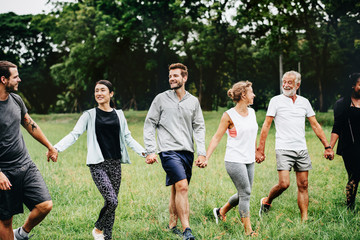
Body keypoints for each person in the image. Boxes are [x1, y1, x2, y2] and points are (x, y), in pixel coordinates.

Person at [54, 80, 146, 240]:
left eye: (103, 90)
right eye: (96, 90)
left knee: (111, 203)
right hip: (98, 165)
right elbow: (74, 134)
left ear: (111, 94)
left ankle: (107, 237)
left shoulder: (119, 115)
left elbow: (128, 137)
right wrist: (56, 148)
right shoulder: (89, 115)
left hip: (115, 163)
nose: (99, 93)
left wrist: (144, 153)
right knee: (112, 201)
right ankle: (98, 229)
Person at [256, 70, 334, 221]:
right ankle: (267, 201)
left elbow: (315, 125)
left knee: (303, 185)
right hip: (283, 148)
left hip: (301, 149)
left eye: (289, 83)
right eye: (283, 82)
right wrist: (260, 150)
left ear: (297, 85)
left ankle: (304, 219)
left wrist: (327, 146)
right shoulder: (275, 101)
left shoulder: (304, 102)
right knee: (284, 184)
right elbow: (266, 126)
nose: (285, 85)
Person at [144, 63, 206, 240]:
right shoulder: (160, 99)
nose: (172, 79)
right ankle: (187, 230)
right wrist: (151, 150)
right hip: (168, 150)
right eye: (170, 76)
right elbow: (149, 124)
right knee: (182, 186)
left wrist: (201, 152)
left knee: (176, 188)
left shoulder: (193, 101)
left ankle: (172, 225)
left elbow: (199, 127)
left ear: (184, 78)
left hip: (187, 151)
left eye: (176, 76)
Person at [0, 61, 57, 240]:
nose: (19, 79)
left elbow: (29, 123)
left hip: (25, 165)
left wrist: (49, 146)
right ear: (3, 79)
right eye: (15, 77)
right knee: (5, 220)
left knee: (45, 205)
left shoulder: (16, 99)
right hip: (4, 171)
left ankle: (22, 234)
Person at [200, 81, 258, 237]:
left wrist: (257, 151)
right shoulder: (228, 115)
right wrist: (206, 157)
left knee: (243, 193)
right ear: (244, 95)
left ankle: (221, 211)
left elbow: (252, 136)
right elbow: (217, 137)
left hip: (249, 159)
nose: (254, 95)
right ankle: (248, 231)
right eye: (251, 92)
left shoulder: (252, 113)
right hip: (234, 159)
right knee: (245, 193)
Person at [329, 73, 360, 210]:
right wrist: (329, 147)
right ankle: (350, 206)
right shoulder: (342, 104)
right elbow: (337, 127)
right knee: (355, 174)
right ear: (353, 85)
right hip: (350, 146)